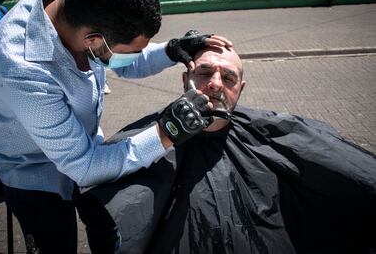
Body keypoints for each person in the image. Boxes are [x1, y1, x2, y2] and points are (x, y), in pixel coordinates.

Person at [0, 0, 232, 254]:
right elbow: (85, 167)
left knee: (107, 223)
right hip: (34, 174)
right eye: (133, 50)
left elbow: (124, 59)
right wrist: (167, 132)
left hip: (86, 147)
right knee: (55, 244)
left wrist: (169, 51)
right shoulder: (20, 66)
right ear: (92, 41)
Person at [81, 44, 376, 254]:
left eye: (229, 78)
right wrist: (164, 135)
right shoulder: (151, 136)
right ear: (186, 80)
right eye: (204, 73)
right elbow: (100, 185)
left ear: (241, 89)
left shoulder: (270, 135)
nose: (215, 84)